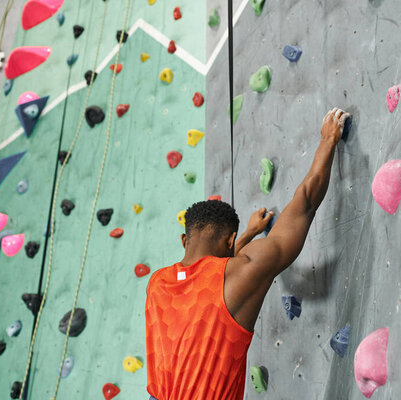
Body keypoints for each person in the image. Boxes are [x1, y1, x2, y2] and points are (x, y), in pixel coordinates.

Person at [145, 108, 350, 400]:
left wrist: (247, 236)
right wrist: (328, 140)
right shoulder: (243, 271)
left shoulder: (157, 285)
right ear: (229, 241)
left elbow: (206, 282)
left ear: (184, 239)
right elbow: (304, 204)